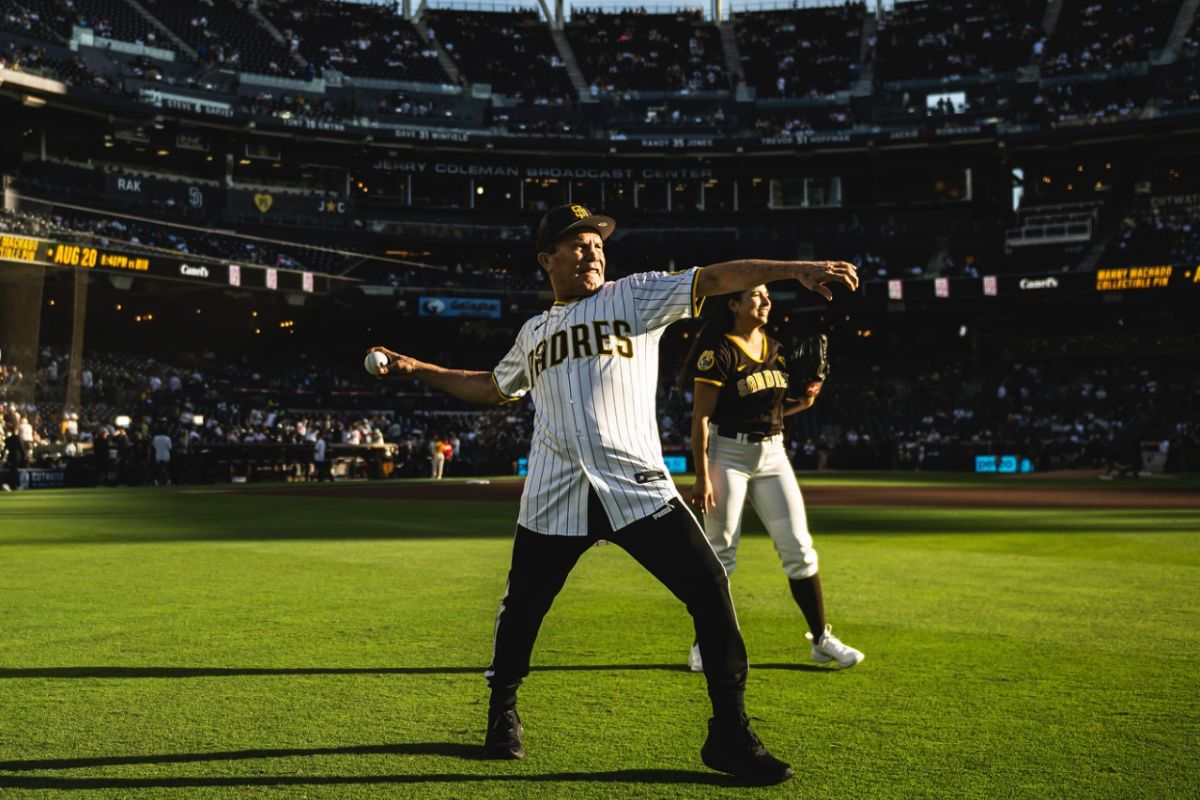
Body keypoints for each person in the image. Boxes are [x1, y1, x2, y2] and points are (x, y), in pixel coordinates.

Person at [368, 204, 858, 785]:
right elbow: (493, 388)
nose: (592, 250)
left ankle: (729, 733)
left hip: (637, 484)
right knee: (522, 608)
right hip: (554, 490)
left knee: (709, 589)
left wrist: (792, 271)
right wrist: (415, 367)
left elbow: (717, 277)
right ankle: (501, 712)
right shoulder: (533, 333)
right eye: (576, 244)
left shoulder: (635, 296)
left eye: (596, 243)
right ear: (546, 258)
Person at [680, 286, 864, 674]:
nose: (765, 302)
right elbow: (700, 418)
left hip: (773, 453)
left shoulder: (777, 348)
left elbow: (782, 407)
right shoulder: (719, 352)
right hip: (727, 455)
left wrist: (809, 398)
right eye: (756, 296)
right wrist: (701, 476)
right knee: (720, 553)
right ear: (733, 304)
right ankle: (705, 642)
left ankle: (820, 640)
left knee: (798, 548)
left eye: (767, 296)